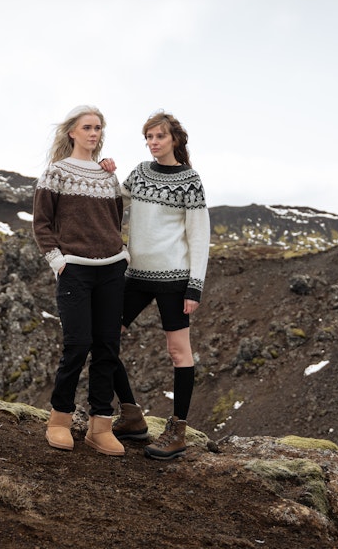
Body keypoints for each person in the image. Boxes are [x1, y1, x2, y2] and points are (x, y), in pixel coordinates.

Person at [32, 105, 128, 457]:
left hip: (112, 269)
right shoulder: (55, 173)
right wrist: (58, 261)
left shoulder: (108, 177)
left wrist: (122, 253)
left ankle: (100, 426)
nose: (94, 133)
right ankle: (59, 420)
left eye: (98, 128)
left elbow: (114, 219)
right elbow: (41, 223)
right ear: (71, 131)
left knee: (107, 347)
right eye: (87, 127)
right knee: (77, 344)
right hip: (75, 269)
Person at [113, 111, 210, 460]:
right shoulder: (139, 173)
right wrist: (103, 170)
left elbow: (199, 236)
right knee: (103, 336)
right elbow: (114, 197)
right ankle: (130, 414)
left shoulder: (190, 180)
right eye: (149, 138)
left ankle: (178, 430)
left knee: (178, 352)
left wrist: (194, 287)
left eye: (159, 137)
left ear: (175, 140)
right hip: (135, 277)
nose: (153, 143)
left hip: (174, 280)